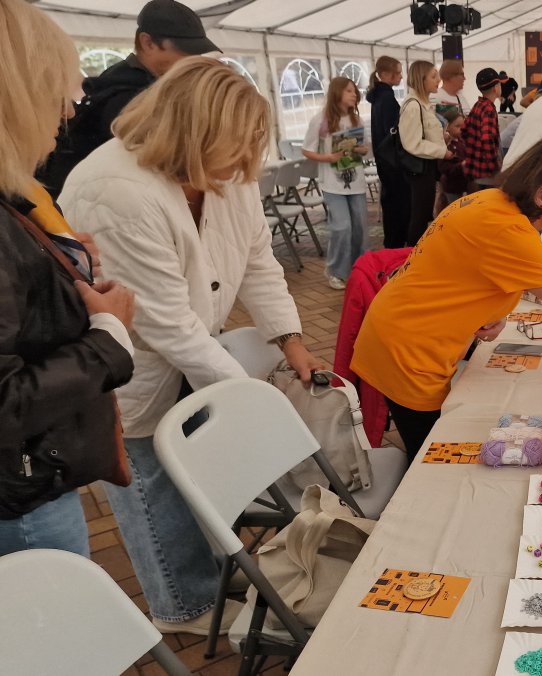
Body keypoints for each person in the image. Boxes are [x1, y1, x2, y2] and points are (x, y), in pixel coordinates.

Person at [59, 57, 324, 636]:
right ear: (195, 134)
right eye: (236, 149)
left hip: (188, 346)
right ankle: (181, 604)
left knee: (188, 471)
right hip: (129, 360)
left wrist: (291, 340)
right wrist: (248, 399)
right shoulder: (115, 191)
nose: (245, 165)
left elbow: (258, 259)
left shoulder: (224, 171)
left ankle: (205, 579)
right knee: (145, 477)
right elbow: (166, 323)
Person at [352, 133, 542, 459]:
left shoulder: (493, 201)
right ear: (541, 194)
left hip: (401, 331)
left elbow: (469, 269)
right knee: (429, 461)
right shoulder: (510, 230)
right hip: (407, 353)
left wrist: (493, 310)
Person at [0, 0, 136, 557]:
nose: (68, 112)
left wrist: (62, 273)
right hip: (21, 494)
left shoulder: (20, 194)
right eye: (58, 93)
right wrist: (108, 338)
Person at [38, 0, 219, 198]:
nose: (192, 59)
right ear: (148, 43)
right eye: (185, 49)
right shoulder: (129, 97)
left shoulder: (122, 81)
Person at [302, 76, 370, 290]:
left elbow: (365, 148)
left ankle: (359, 268)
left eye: (355, 91)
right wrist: (328, 157)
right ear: (337, 92)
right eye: (349, 90)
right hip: (332, 184)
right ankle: (336, 271)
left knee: (359, 228)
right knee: (342, 227)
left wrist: (361, 149)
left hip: (356, 182)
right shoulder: (320, 120)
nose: (354, 94)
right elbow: (307, 150)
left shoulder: (357, 120)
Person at [398, 61, 453, 246]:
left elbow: (424, 134)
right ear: (421, 79)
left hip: (427, 166)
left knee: (423, 214)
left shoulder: (424, 104)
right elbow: (412, 143)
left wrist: (442, 139)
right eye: (433, 76)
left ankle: (419, 254)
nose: (438, 80)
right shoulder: (413, 106)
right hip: (418, 169)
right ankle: (412, 256)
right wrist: (442, 152)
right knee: (419, 216)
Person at [366, 55, 410, 249]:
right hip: (393, 162)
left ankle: (393, 244)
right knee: (397, 208)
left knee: (392, 205)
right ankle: (395, 248)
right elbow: (393, 131)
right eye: (397, 73)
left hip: (385, 160)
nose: (401, 76)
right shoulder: (386, 98)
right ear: (385, 74)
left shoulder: (379, 96)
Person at [461, 68, 506, 188]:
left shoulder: (478, 105)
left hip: (475, 171)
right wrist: (494, 167)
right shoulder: (489, 110)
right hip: (487, 174)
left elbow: (464, 130)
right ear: (496, 88)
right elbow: (487, 139)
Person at [437, 110, 468, 212]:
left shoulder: (461, 141)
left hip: (461, 184)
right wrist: (461, 165)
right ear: (447, 126)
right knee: (453, 210)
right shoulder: (445, 145)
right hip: (451, 186)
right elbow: (443, 168)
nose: (461, 129)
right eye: (457, 126)